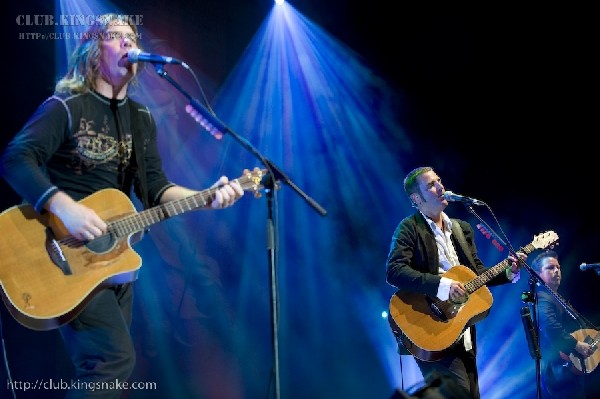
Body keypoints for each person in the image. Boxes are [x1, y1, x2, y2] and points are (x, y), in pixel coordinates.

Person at [0, 14, 244, 398]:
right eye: (116, 37)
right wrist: (65, 207)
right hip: (58, 250)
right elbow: (15, 158)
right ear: (93, 53)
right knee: (112, 362)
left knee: (107, 369)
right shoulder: (66, 105)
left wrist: (208, 198)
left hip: (110, 260)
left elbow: (156, 190)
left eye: (132, 37)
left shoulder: (141, 119)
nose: (129, 44)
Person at [385, 166, 523, 399]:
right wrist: (444, 286)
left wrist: (508, 272)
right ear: (416, 198)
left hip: (461, 328)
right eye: (431, 184)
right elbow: (395, 271)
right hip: (431, 328)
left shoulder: (461, 229)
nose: (440, 187)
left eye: (439, 180)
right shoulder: (409, 228)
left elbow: (477, 274)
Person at [531, 250, 597, 398]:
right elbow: (549, 326)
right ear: (537, 274)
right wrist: (577, 344)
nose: (556, 271)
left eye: (558, 267)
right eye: (550, 268)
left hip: (569, 368)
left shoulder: (556, 298)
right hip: (559, 370)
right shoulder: (542, 298)